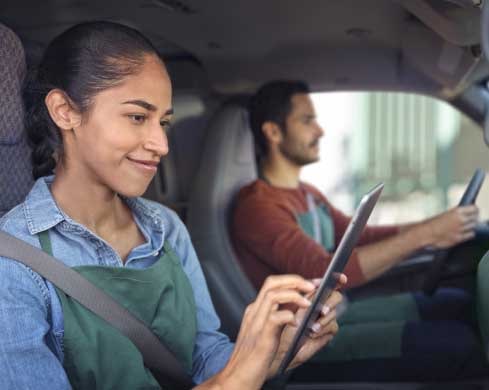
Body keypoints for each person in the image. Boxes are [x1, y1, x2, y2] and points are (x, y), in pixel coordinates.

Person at [0, 23, 345, 390]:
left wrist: (273, 352)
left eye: (164, 122)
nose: (161, 144)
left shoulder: (165, 228)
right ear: (65, 111)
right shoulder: (14, 265)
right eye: (137, 117)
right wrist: (234, 380)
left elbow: (202, 357)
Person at [231, 80, 487, 380]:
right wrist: (429, 234)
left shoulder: (308, 193)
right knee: (459, 345)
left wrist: (437, 225)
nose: (320, 130)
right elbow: (323, 270)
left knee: (457, 304)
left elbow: (357, 238)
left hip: (333, 317)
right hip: (298, 346)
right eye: (307, 120)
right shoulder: (257, 206)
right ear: (273, 132)